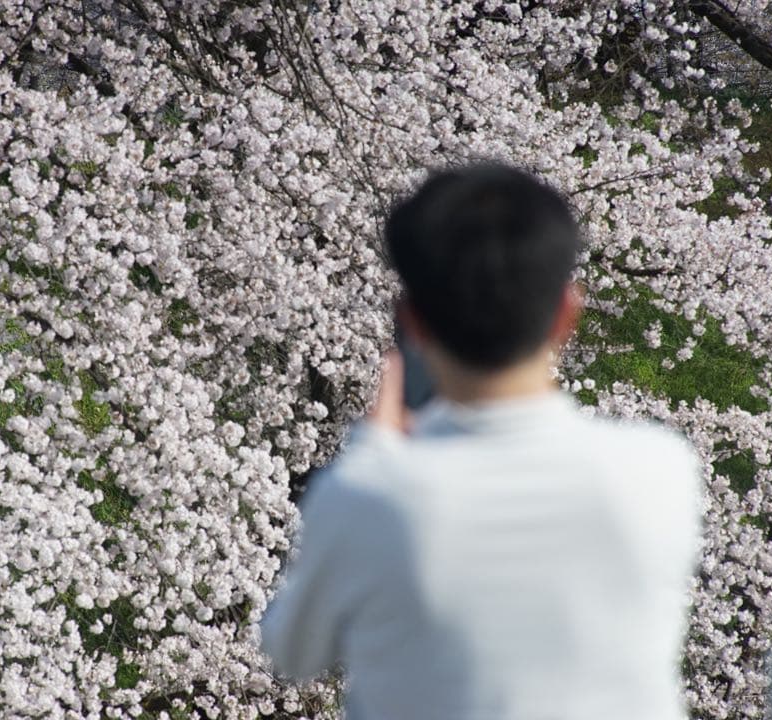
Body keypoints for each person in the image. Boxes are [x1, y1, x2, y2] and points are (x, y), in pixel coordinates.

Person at [257, 161, 703, 720]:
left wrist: (369, 459)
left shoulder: (369, 492)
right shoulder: (660, 469)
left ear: (413, 323)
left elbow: (293, 651)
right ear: (568, 313)